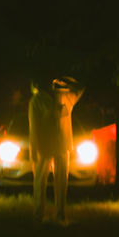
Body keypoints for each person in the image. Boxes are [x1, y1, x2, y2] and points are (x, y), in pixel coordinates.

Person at [28, 76, 84, 222]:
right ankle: (42, 213)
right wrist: (35, 147)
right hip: (50, 145)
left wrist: (63, 80)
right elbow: (34, 127)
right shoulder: (40, 100)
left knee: (55, 181)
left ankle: (54, 214)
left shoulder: (63, 95)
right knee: (43, 180)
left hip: (60, 144)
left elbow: (80, 87)